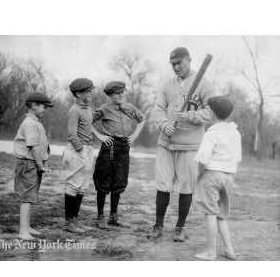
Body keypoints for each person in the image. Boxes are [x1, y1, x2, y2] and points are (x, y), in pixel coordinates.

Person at [151, 47, 215, 241]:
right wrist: (163, 124)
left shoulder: (204, 84)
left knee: (186, 187)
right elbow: (158, 109)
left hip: (190, 145)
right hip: (166, 143)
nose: (176, 67)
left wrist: (190, 115)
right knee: (163, 185)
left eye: (180, 63)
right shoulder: (168, 85)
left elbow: (211, 113)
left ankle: (180, 227)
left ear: (189, 60)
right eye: (173, 64)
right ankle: (158, 225)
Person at [194, 95, 242, 261]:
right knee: (221, 214)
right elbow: (237, 158)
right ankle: (230, 250)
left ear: (213, 114)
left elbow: (202, 159)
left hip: (212, 175)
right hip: (229, 176)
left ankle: (211, 252)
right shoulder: (235, 133)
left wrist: (198, 176)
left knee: (210, 213)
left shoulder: (211, 133)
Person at [92, 81, 145, 228]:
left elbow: (142, 119)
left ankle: (113, 216)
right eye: (117, 93)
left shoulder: (129, 107)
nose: (121, 95)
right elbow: (86, 122)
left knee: (119, 181)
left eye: (122, 92)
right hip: (109, 147)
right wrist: (100, 136)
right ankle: (100, 216)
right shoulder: (103, 109)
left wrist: (134, 136)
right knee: (103, 181)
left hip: (124, 146)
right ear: (109, 95)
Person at [14, 92, 53, 240]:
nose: (45, 109)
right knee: (27, 197)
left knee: (31, 196)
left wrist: (44, 162)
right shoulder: (29, 123)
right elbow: (33, 147)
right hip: (28, 163)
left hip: (34, 164)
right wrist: (40, 165)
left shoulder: (35, 122)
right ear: (34, 106)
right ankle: (23, 231)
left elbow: (42, 146)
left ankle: (27, 226)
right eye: (44, 106)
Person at [62, 78, 95, 233]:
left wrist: (88, 151)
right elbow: (71, 135)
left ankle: (75, 219)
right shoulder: (74, 110)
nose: (90, 93)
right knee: (73, 185)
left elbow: (89, 129)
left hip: (87, 149)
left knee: (82, 187)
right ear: (78, 93)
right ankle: (69, 222)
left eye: (91, 90)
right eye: (87, 91)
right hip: (76, 151)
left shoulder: (89, 109)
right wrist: (81, 151)